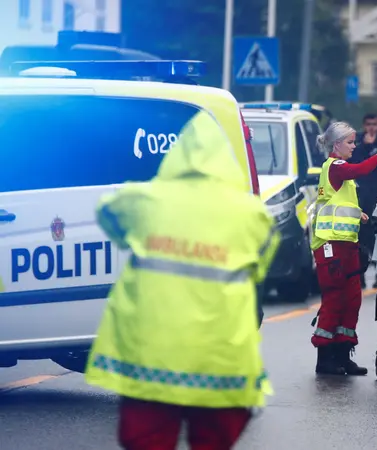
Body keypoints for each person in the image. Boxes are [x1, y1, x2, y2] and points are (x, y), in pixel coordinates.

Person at [83, 110, 280, 450]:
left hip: (151, 356)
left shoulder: (144, 200)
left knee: (146, 440)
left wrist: (133, 240)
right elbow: (258, 269)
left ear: (177, 154)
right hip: (220, 358)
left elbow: (107, 213)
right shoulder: (252, 215)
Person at [311, 121, 377, 375]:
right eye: (350, 142)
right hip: (331, 246)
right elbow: (363, 168)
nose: (354, 146)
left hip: (346, 245)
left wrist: (359, 214)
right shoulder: (337, 167)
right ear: (337, 144)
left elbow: (338, 204)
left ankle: (343, 353)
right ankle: (325, 357)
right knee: (333, 301)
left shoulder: (340, 172)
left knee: (351, 300)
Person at [351, 113, 377, 289]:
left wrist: (376, 147)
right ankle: (359, 276)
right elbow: (354, 165)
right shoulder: (357, 143)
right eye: (368, 124)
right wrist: (365, 147)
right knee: (360, 238)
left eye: (374, 124)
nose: (371, 128)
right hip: (361, 195)